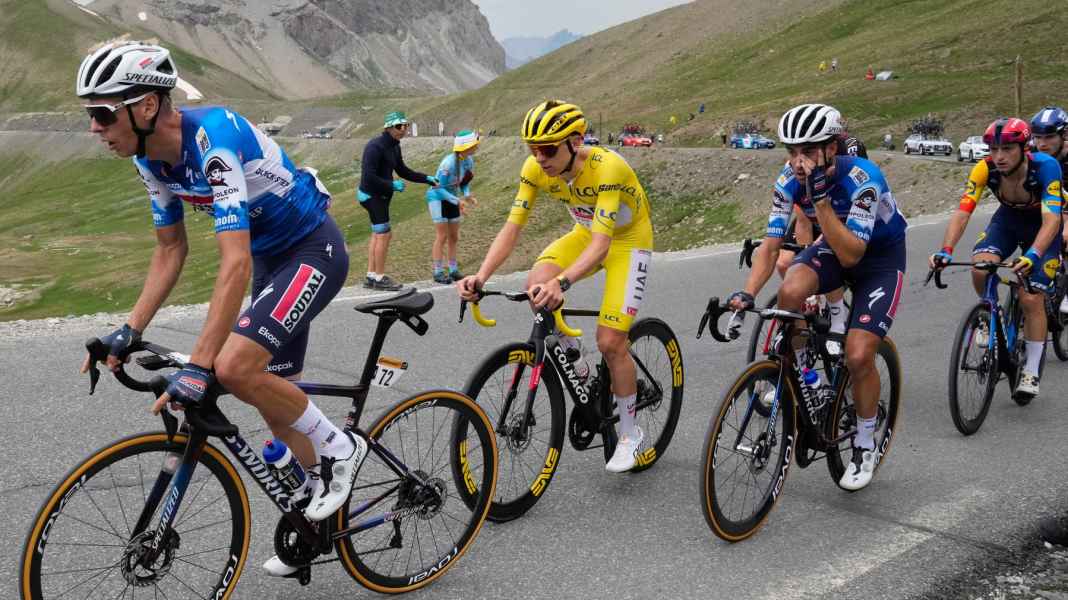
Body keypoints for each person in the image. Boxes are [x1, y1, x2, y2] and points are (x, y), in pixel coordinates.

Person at [74, 42, 365, 577]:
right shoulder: (149, 160)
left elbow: (231, 265)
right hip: (273, 263)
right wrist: (128, 330)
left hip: (312, 251)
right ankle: (317, 517)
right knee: (276, 406)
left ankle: (341, 449)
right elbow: (169, 250)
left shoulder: (213, 139)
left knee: (231, 368)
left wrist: (200, 365)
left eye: (102, 112)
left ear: (144, 107)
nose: (94, 127)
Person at [457, 100, 654, 473]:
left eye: (547, 149)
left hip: (627, 242)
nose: (539, 158)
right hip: (586, 234)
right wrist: (480, 276)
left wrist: (562, 282)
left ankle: (630, 433)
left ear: (575, 141)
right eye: (532, 149)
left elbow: (603, 245)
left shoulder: (607, 168)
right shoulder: (535, 169)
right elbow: (512, 228)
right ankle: (573, 358)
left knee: (611, 342)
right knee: (536, 284)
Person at [730, 103, 908, 490]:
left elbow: (851, 256)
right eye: (791, 152)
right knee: (789, 290)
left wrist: (822, 201)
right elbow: (772, 244)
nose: (798, 162)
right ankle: (811, 373)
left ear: (832, 147)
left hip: (878, 258)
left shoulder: (863, 177)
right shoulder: (787, 179)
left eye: (807, 151)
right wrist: (746, 293)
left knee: (860, 354)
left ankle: (864, 441)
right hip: (836, 244)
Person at [930, 118, 1063, 396]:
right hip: (1007, 220)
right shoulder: (984, 168)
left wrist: (1033, 255)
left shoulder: (1046, 167)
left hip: (1042, 225)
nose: (999, 157)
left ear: (1024, 148)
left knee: (1030, 297)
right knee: (980, 268)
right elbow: (963, 211)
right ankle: (990, 314)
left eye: (1006, 149)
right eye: (993, 149)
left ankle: (1030, 371)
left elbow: (1052, 220)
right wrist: (946, 250)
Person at [356, 111, 438, 290]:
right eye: (399, 126)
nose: (404, 130)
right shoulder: (374, 146)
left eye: (406, 125)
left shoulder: (394, 146)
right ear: (388, 127)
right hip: (372, 194)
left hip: (381, 194)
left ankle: (371, 276)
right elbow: (368, 177)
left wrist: (426, 178)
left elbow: (403, 171)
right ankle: (379, 278)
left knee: (379, 234)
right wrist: (391, 185)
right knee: (384, 234)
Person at [1029, 106, 1068, 313]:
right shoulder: (1031, 153)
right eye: (1037, 137)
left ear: (1064, 135)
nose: (1042, 143)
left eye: (1050, 137)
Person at [426, 130, 479, 284]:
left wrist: (467, 195)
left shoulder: (468, 160)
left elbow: (464, 182)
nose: (477, 147)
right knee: (442, 236)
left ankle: (453, 269)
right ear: (466, 146)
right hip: (437, 197)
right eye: (475, 144)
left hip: (453, 198)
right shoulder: (448, 164)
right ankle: (438, 271)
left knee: (454, 237)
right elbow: (437, 187)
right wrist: (457, 200)